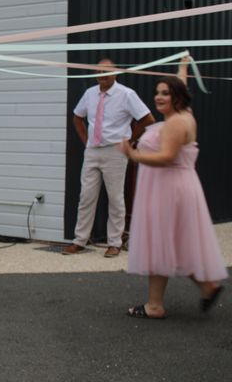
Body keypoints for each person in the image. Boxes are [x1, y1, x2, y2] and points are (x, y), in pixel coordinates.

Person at [120, 64, 227, 319]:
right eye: (157, 92)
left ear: (177, 96)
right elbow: (181, 84)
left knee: (163, 241)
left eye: (165, 93)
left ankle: (156, 305)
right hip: (175, 186)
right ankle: (205, 287)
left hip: (169, 189)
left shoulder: (176, 123)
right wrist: (183, 65)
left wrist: (133, 154)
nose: (158, 96)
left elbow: (167, 157)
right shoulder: (183, 114)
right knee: (173, 242)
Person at [62, 58, 155, 257]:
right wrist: (85, 139)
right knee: (86, 196)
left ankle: (115, 242)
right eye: (99, 72)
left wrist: (130, 141)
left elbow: (148, 119)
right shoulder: (90, 93)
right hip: (93, 150)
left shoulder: (126, 94)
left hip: (115, 151)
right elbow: (77, 116)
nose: (102, 76)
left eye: (106, 72)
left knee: (115, 198)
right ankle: (80, 240)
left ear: (115, 73)